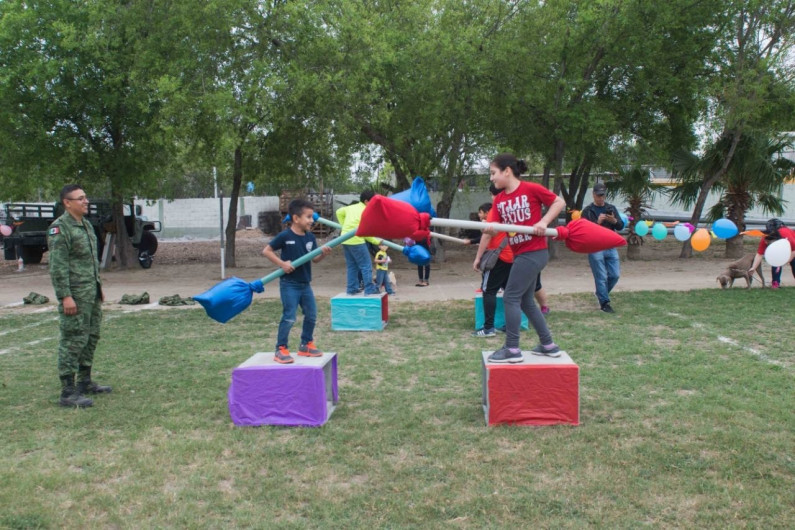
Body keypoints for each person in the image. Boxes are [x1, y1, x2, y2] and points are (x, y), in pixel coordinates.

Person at [473, 153, 565, 363]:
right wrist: (479, 257)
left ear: (507, 171)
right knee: (525, 301)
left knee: (510, 297)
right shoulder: (500, 201)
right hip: (521, 255)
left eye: (493, 173)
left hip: (534, 253)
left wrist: (543, 222)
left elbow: (559, 202)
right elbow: (490, 232)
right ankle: (548, 344)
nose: (492, 178)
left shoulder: (530, 189)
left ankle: (512, 349)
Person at [48, 184, 110, 408]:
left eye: (86, 197)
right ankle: (67, 391)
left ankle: (85, 381)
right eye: (81, 198)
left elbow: (90, 262)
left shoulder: (85, 225)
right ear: (67, 202)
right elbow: (57, 266)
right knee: (73, 339)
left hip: (90, 293)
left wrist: (98, 286)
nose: (86, 201)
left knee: (91, 336)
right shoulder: (60, 229)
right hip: (74, 295)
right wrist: (65, 296)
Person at [263, 198, 332, 364]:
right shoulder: (285, 236)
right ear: (296, 218)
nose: (312, 220)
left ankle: (305, 344)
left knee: (311, 315)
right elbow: (267, 250)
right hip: (289, 284)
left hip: (305, 284)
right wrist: (282, 264)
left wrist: (322, 253)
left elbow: (314, 259)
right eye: (308, 217)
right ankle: (280, 349)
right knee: (289, 317)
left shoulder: (309, 237)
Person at [580, 182, 624, 313]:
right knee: (601, 277)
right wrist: (597, 223)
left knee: (615, 275)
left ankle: (600, 293)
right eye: (598, 195)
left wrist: (614, 221)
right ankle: (605, 303)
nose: (601, 198)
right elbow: (584, 230)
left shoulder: (611, 208)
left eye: (603, 195)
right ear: (593, 195)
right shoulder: (588, 211)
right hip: (595, 247)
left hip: (610, 245)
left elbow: (621, 226)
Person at [336, 191, 381, 295]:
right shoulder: (366, 212)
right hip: (356, 240)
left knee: (352, 266)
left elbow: (338, 212)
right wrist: (377, 241)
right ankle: (369, 288)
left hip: (345, 239)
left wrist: (344, 227)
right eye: (373, 201)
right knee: (366, 265)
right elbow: (365, 233)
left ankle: (351, 288)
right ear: (366, 201)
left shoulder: (351, 207)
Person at [749, 218, 795, 288]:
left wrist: (785, 261)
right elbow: (759, 254)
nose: (766, 243)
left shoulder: (787, 237)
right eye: (766, 242)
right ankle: (775, 283)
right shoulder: (765, 238)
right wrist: (753, 268)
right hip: (779, 249)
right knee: (775, 261)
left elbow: (793, 251)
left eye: (768, 242)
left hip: (792, 249)